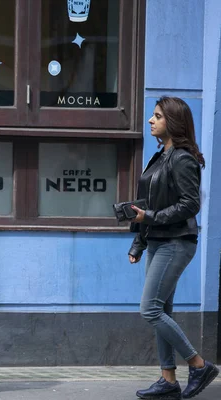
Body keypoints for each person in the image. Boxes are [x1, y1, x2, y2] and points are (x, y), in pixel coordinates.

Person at [129, 96, 218, 399]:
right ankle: (168, 381)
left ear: (173, 122)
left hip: (177, 242)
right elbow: (148, 205)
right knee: (162, 308)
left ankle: (199, 364)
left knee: (150, 309)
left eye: (157, 116)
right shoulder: (159, 157)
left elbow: (190, 204)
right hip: (156, 241)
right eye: (152, 116)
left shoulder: (182, 158)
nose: (151, 120)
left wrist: (150, 218)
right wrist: (139, 241)